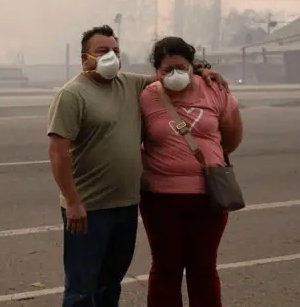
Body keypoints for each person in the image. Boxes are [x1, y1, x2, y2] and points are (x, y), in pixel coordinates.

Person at [47, 25, 228, 307]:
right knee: (82, 287)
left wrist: (202, 69)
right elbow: (58, 153)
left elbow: (170, 72)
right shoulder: (72, 95)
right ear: (85, 58)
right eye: (102, 51)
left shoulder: (130, 84)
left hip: (126, 205)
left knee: (110, 282)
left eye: (116, 51)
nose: (111, 56)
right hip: (88, 208)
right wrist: (72, 201)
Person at [139, 36, 243, 307]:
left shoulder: (214, 89)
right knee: (165, 270)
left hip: (209, 197)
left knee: (203, 269)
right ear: (156, 71)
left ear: (192, 65)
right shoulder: (146, 95)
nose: (175, 74)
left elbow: (231, 137)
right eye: (167, 70)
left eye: (181, 67)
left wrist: (212, 159)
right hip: (160, 199)